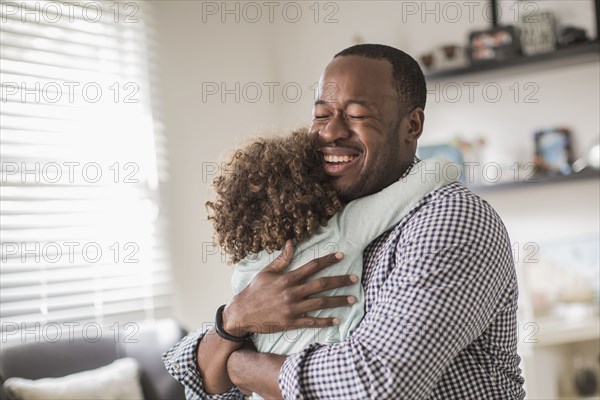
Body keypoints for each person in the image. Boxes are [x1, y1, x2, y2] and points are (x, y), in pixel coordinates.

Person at [163, 44, 526, 399]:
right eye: (321, 115)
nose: (331, 132)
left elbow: (378, 384)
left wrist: (241, 367)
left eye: (357, 115)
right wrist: (234, 319)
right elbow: (195, 377)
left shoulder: (450, 218)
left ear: (411, 125)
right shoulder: (306, 217)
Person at [205, 129, 458, 398]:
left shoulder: (244, 273)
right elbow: (439, 170)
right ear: (311, 186)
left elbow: (213, 374)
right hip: (327, 383)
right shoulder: (338, 231)